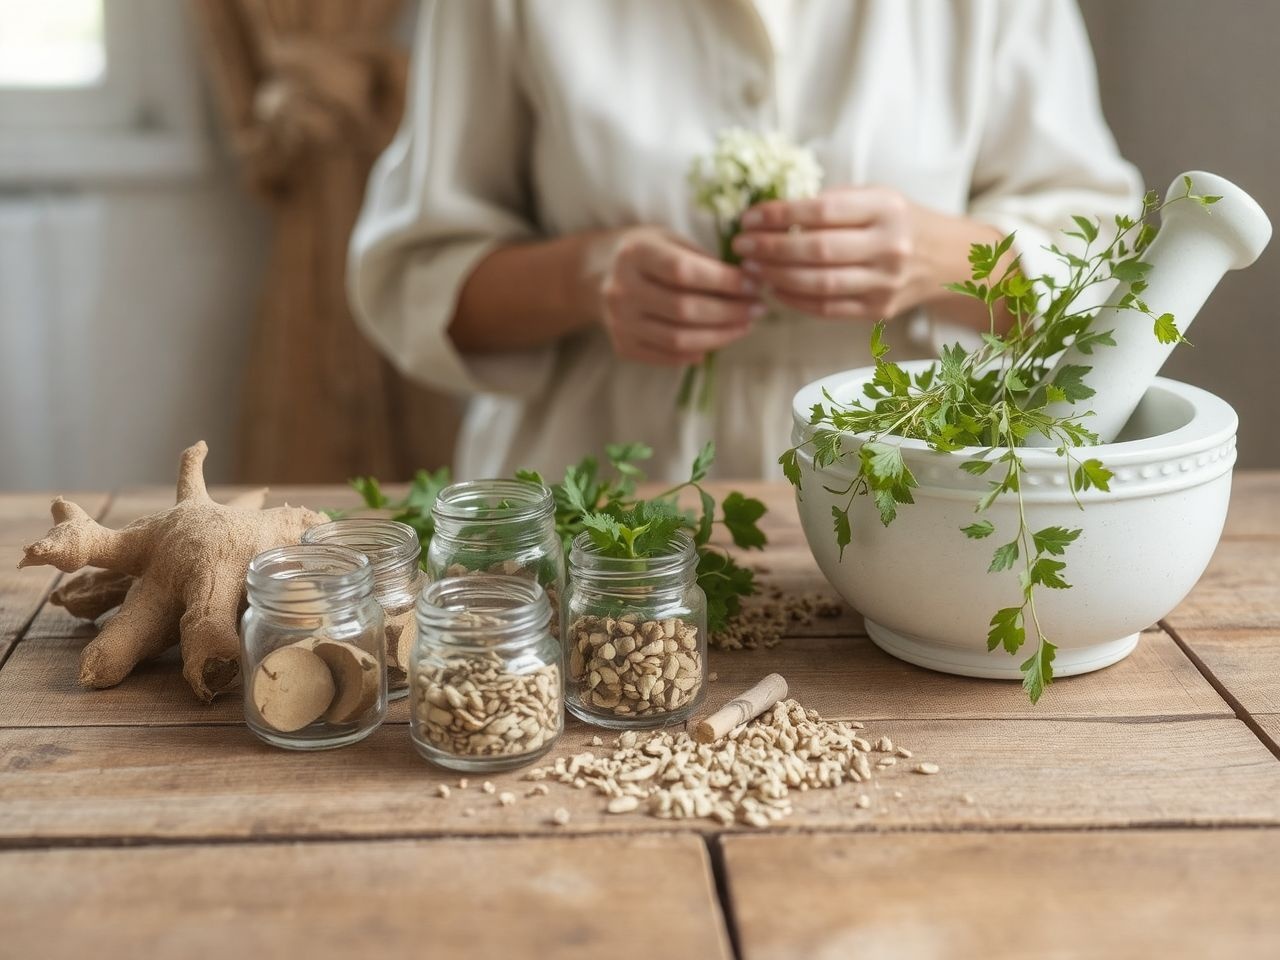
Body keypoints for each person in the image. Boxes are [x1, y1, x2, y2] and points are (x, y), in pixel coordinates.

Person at [349, 0, 1139, 480]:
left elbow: (1110, 271)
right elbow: (413, 279)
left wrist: (949, 260)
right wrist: (587, 279)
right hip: (596, 518)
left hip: (919, 506)